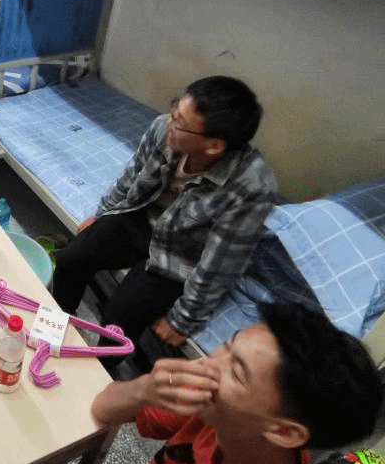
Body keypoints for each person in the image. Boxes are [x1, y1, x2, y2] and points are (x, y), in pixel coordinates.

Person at [0, 301, 384, 464]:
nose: (208, 364)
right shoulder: (217, 412)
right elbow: (102, 407)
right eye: (227, 345)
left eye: (237, 372)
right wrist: (143, 388)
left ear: (284, 431)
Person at [51, 76, 277, 366]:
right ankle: (57, 328)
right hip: (141, 217)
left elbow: (221, 264)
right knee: (71, 259)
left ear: (213, 146)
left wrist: (184, 320)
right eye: (174, 110)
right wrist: (103, 213)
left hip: (182, 253)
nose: (170, 122)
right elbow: (132, 175)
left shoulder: (250, 187)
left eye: (180, 122)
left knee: (118, 319)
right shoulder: (163, 128)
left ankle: (99, 372)